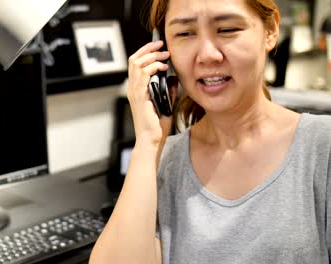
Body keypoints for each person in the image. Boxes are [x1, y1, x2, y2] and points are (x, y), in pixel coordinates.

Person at [89, 0, 331, 263]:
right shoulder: (161, 164)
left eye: (226, 29)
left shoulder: (322, 147)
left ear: (270, 30)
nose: (207, 54)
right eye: (184, 34)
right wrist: (148, 144)